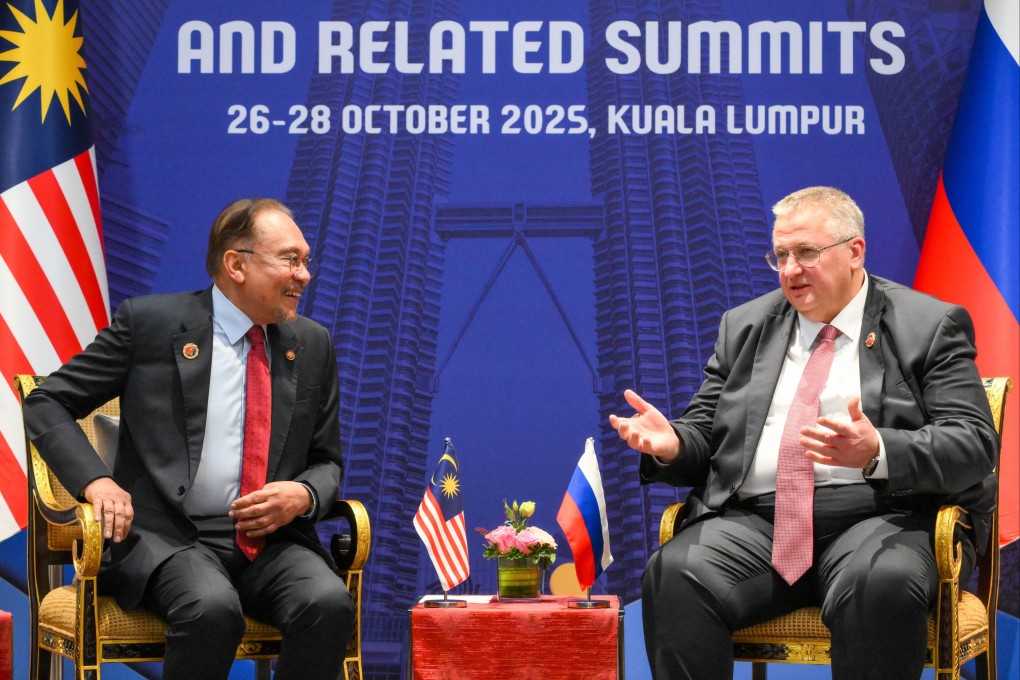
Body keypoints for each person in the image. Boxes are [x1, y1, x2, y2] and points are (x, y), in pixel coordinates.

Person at [610, 186, 998, 679]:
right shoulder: (745, 326)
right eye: (781, 255)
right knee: (676, 573)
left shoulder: (928, 325)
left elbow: (973, 442)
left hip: (882, 516)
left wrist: (877, 448)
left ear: (855, 251)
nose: (790, 269)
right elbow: (706, 433)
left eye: (806, 253)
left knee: (881, 580)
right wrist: (674, 445)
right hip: (758, 523)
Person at [24, 198, 354, 680]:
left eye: (305, 260)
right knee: (212, 609)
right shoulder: (151, 325)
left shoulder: (312, 343)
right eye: (290, 259)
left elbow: (327, 462)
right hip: (170, 538)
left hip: (271, 541)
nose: (304, 274)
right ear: (236, 264)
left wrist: (302, 494)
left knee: (328, 603)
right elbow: (46, 401)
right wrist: (96, 482)